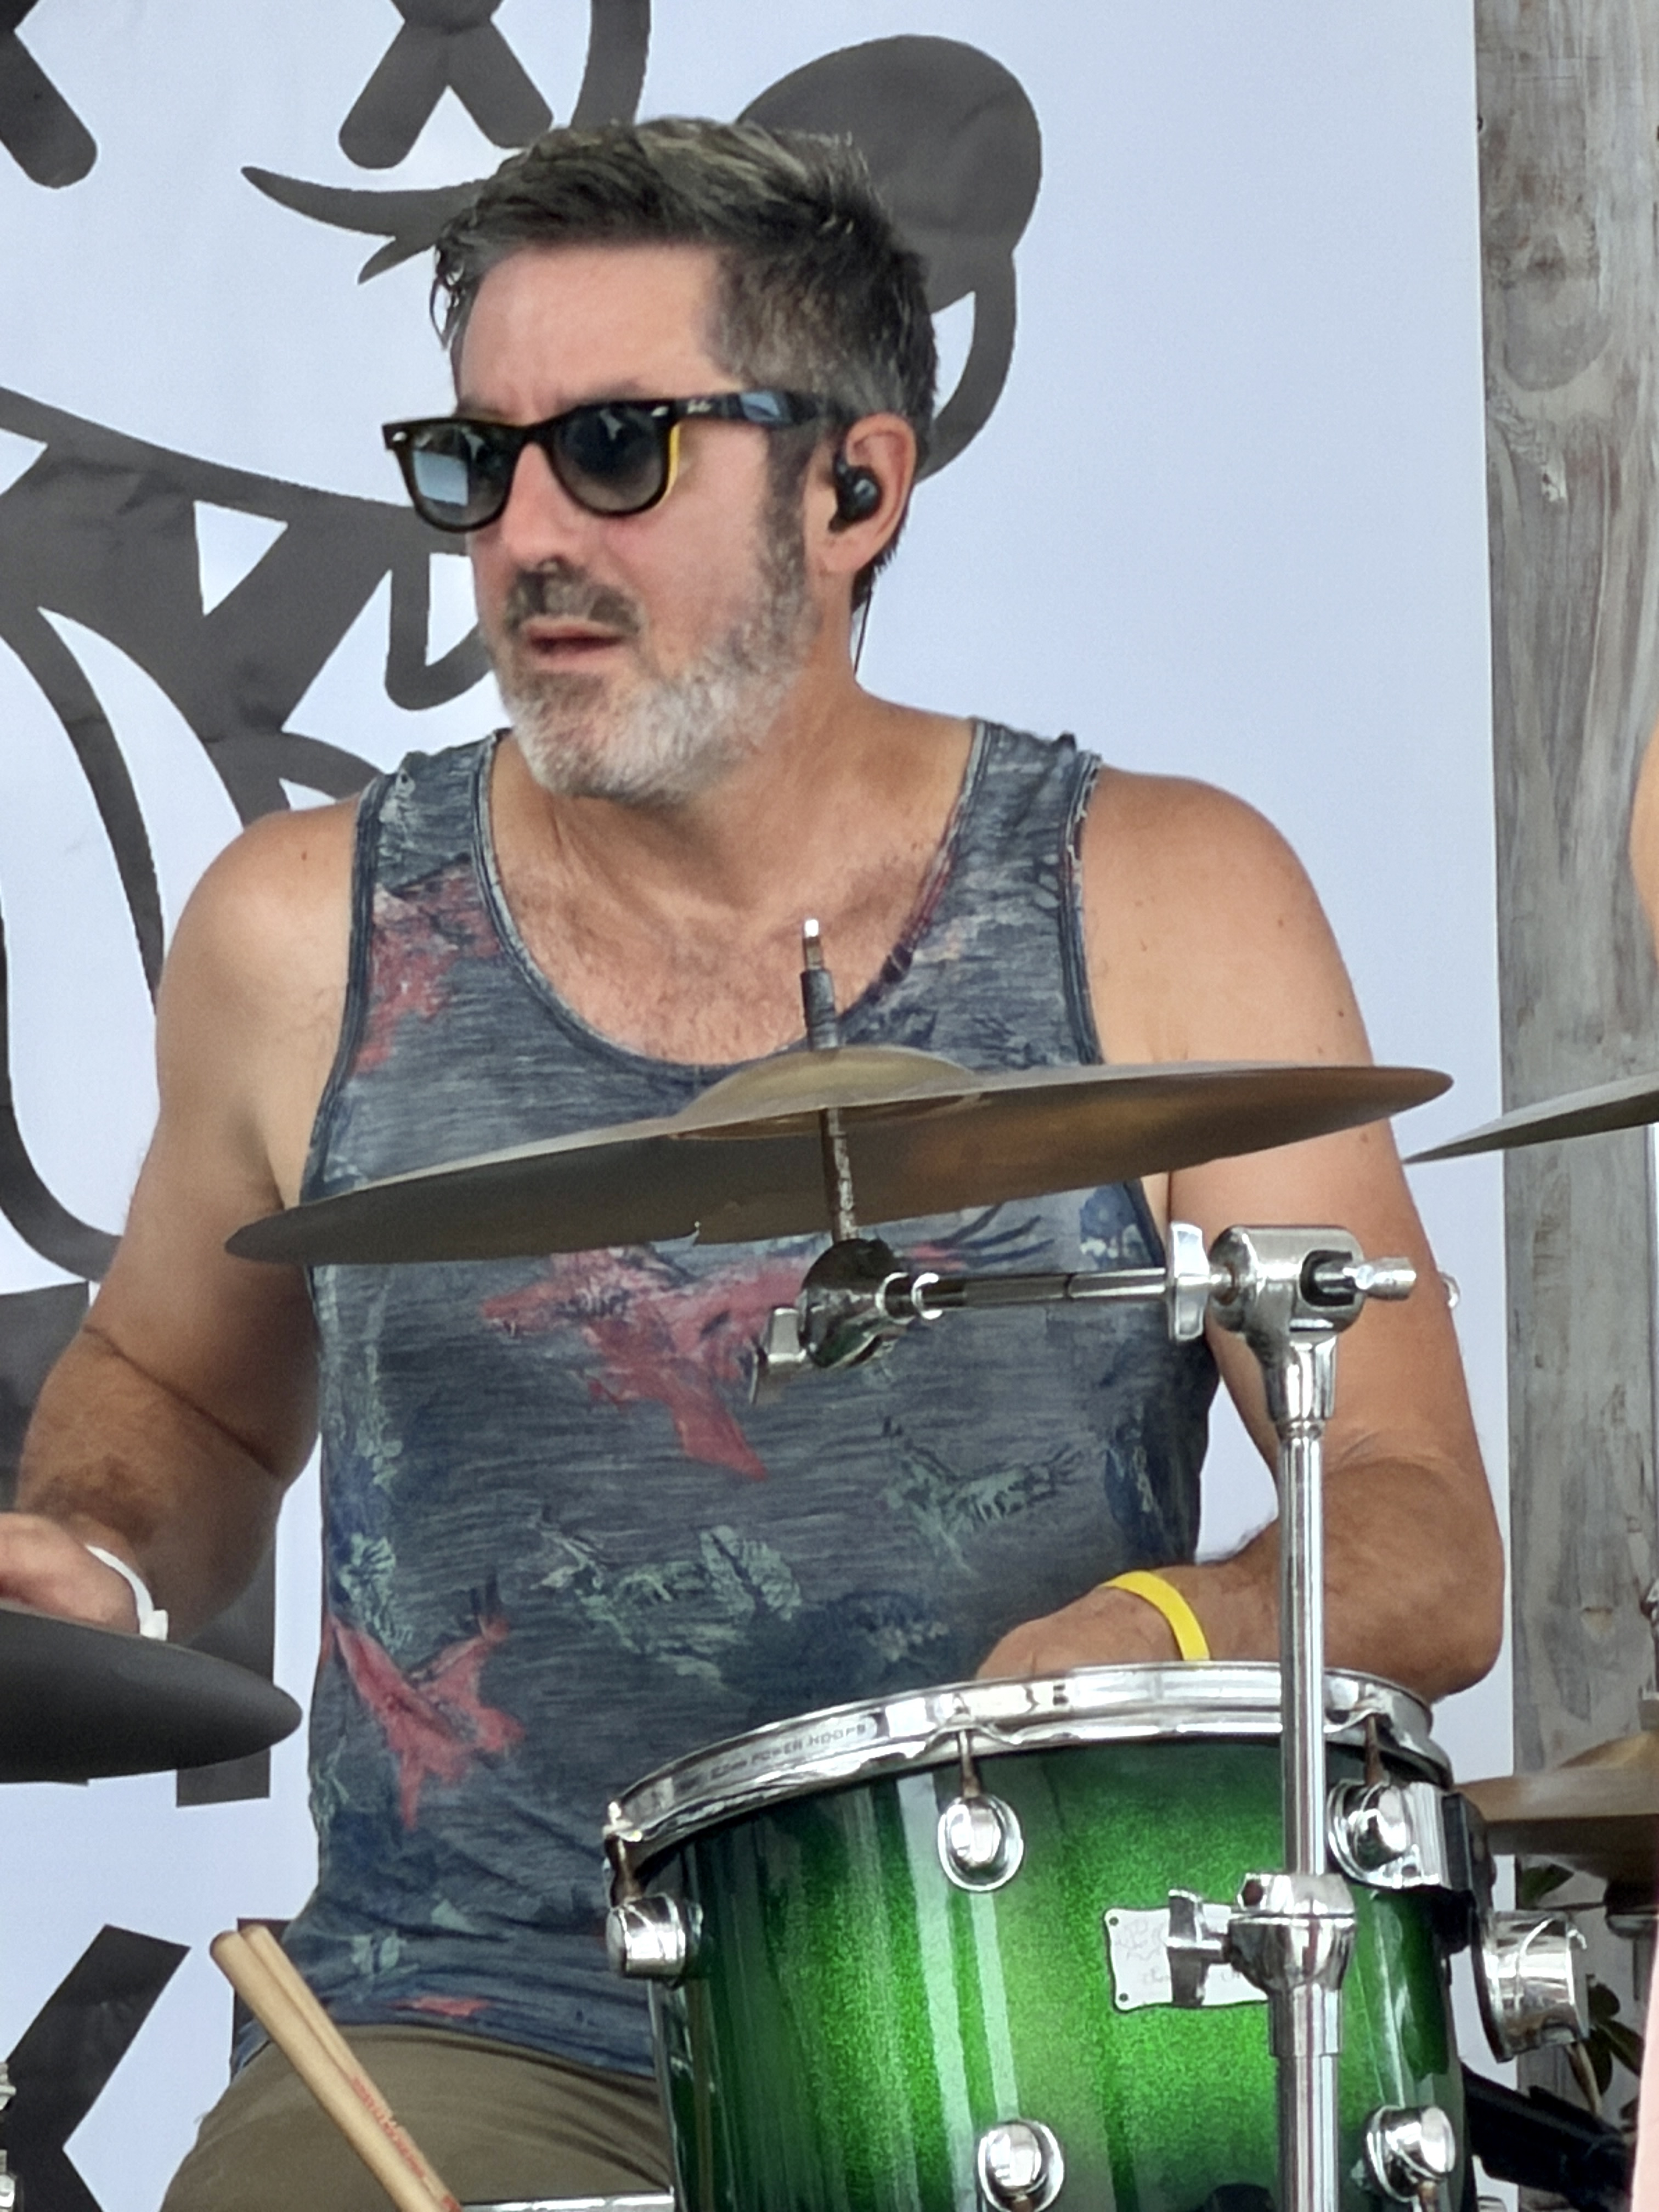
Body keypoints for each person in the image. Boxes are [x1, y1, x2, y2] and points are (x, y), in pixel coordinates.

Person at [0, 120, 1500, 2204]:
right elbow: (173, 1392)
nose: (526, 532)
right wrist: (96, 1541)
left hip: (1025, 1994)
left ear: (856, 486)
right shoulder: (300, 936)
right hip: (466, 2017)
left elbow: (1423, 1541)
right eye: (478, 459)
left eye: (616, 448)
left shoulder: (1158, 892)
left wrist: (1165, 1627)